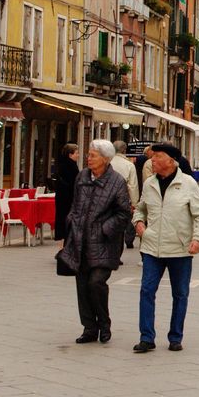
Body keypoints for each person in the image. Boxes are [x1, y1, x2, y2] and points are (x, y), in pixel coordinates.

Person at [132, 143, 199, 353]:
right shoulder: (149, 183)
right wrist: (138, 223)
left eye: (157, 156)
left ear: (171, 160)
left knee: (180, 294)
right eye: (153, 156)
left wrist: (198, 239)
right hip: (151, 248)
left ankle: (175, 337)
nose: (152, 160)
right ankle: (146, 337)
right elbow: (140, 209)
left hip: (179, 249)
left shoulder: (188, 183)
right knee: (146, 291)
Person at [57, 140, 131, 345]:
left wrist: (105, 229)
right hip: (80, 240)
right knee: (82, 286)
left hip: (105, 243)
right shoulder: (82, 176)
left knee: (96, 282)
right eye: (88, 155)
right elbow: (75, 204)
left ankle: (104, 324)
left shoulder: (116, 181)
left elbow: (124, 213)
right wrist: (71, 221)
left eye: (92, 155)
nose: (88, 158)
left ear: (105, 159)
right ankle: (89, 328)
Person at [111, 141, 141, 248]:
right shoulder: (129, 165)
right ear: (124, 150)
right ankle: (128, 240)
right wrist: (134, 203)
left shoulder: (107, 162)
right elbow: (132, 186)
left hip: (108, 197)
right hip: (123, 197)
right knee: (127, 219)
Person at [54, 144, 80, 243]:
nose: (78, 155)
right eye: (76, 153)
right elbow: (75, 182)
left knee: (61, 218)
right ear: (70, 155)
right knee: (67, 220)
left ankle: (61, 241)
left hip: (61, 197)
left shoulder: (61, 165)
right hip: (69, 198)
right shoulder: (71, 166)